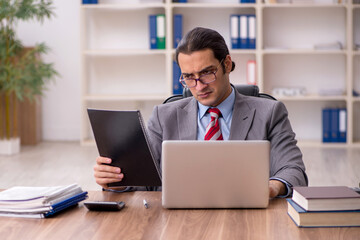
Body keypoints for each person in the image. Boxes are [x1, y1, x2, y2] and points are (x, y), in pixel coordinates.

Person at [94, 27, 308, 198]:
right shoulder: (163, 116)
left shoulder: (270, 112)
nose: (198, 86)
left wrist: (270, 188)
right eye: (188, 77)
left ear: (227, 64)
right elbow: (144, 182)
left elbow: (294, 171)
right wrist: (115, 180)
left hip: (248, 218)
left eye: (206, 73)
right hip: (179, 222)